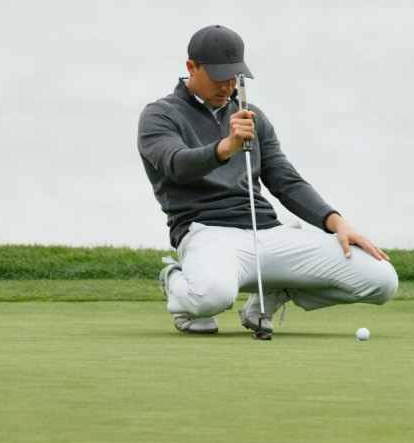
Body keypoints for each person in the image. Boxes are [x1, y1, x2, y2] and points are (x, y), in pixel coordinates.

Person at [137, 25, 398, 335]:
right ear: (191, 67)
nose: (228, 85)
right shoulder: (160, 115)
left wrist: (336, 221)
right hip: (207, 233)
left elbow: (286, 181)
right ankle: (177, 281)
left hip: (270, 234)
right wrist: (225, 148)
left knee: (382, 280)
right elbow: (176, 165)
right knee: (214, 296)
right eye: (219, 76)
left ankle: (273, 292)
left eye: (234, 76)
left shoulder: (251, 116)